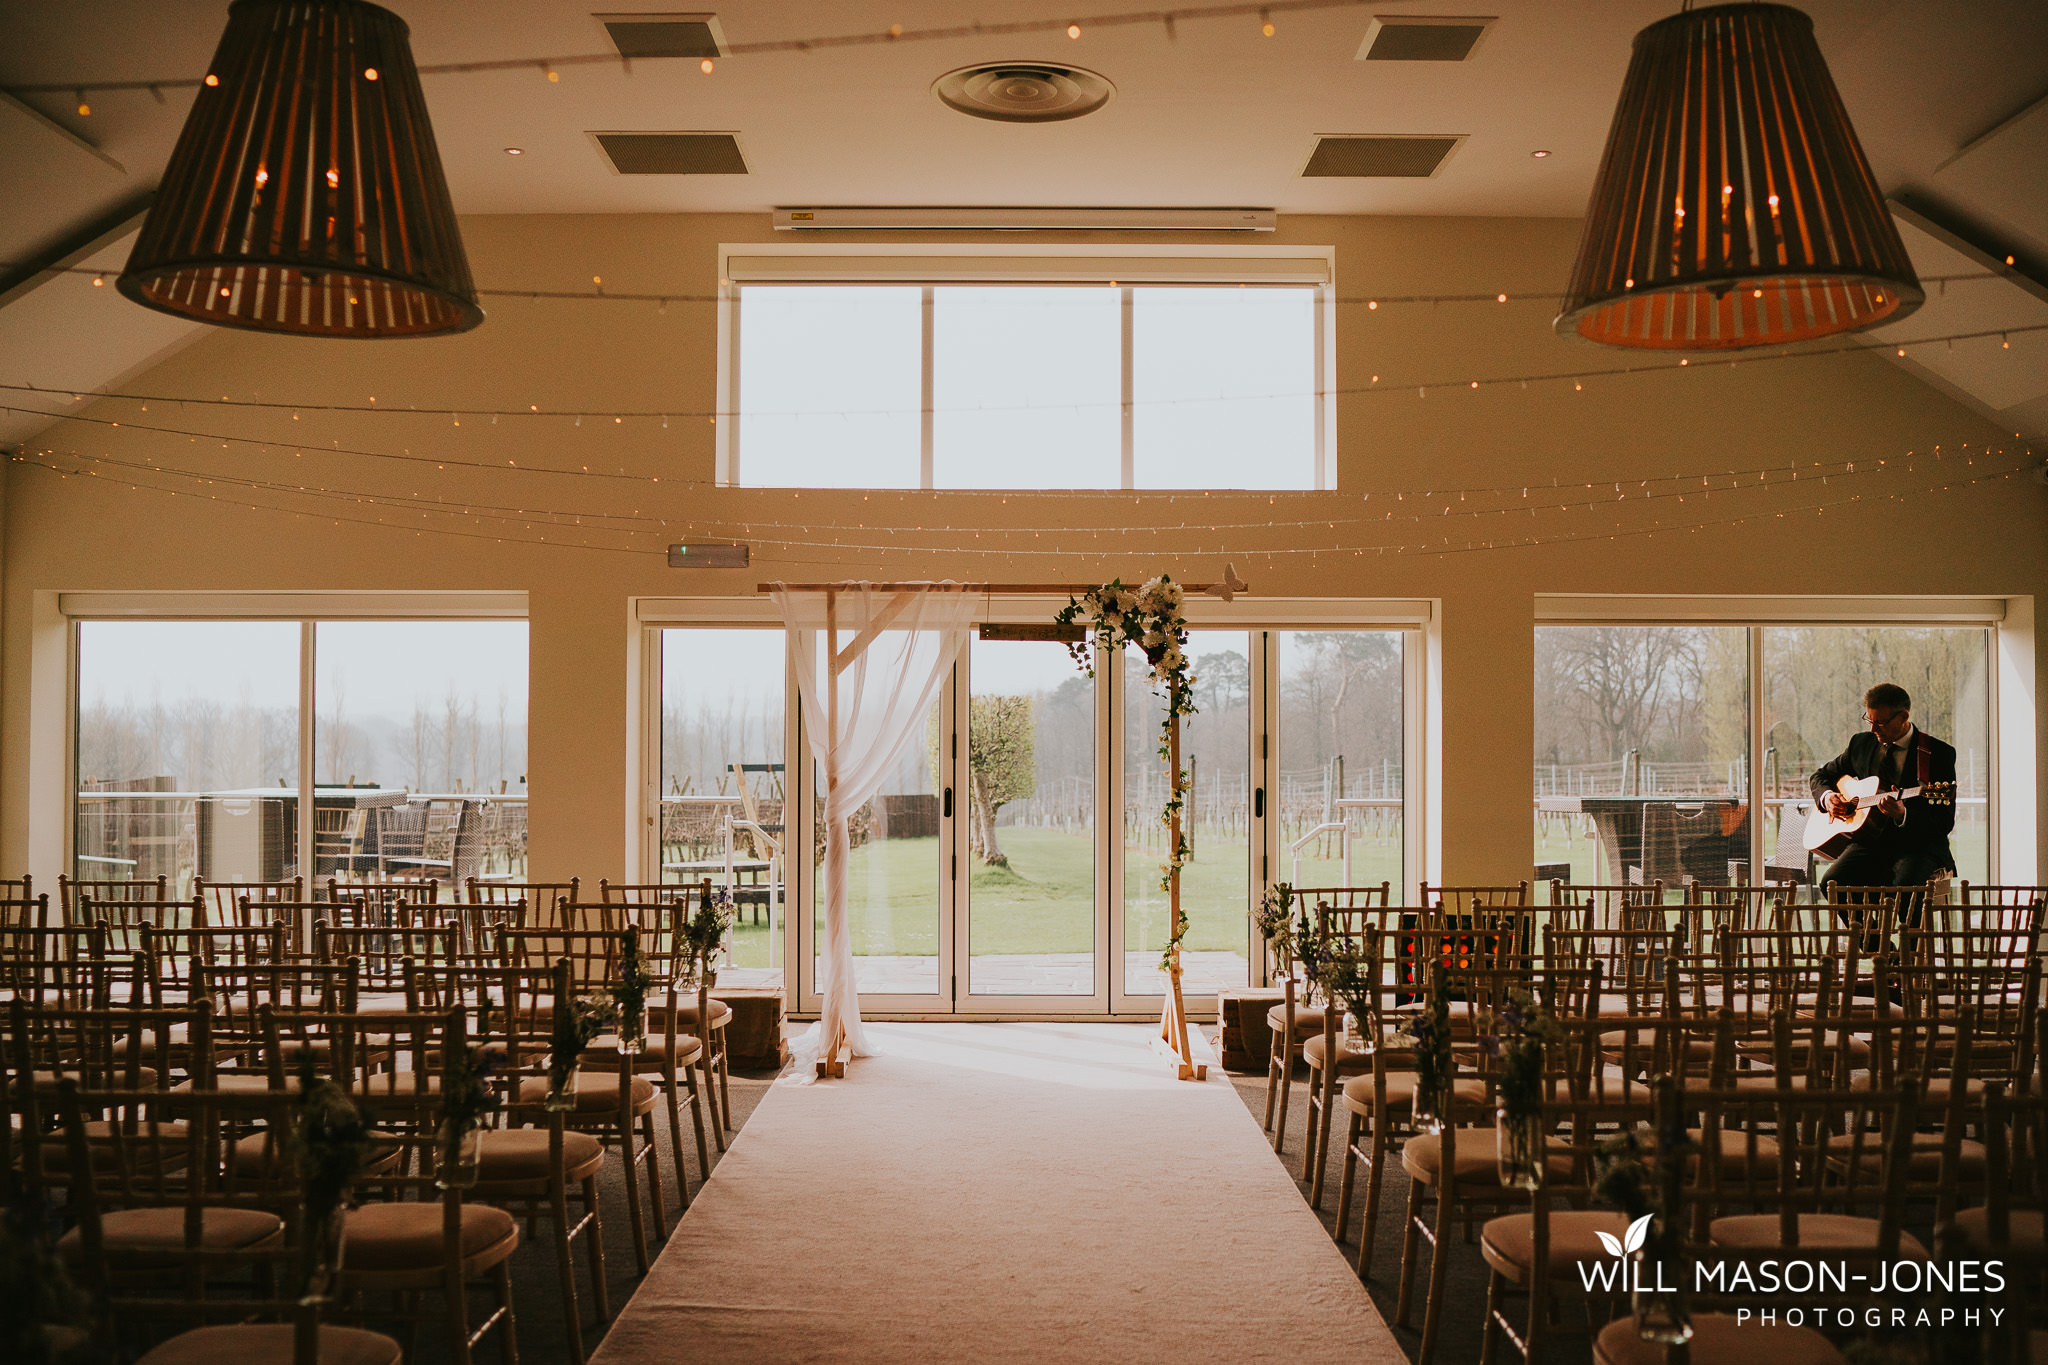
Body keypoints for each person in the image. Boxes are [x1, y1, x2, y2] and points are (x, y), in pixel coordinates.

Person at [1809, 682, 1957, 896]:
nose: (1872, 729)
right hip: (1870, 843)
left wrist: (1903, 814)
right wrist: (1828, 798)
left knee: (1905, 890)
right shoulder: (1861, 743)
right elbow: (1820, 776)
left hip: (1917, 846)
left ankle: (1909, 931)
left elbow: (1944, 822)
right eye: (1869, 720)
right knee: (1832, 884)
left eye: (1881, 723)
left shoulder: (1938, 754)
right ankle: (1868, 931)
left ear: (1904, 717)